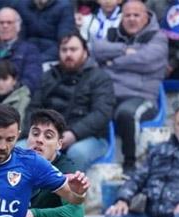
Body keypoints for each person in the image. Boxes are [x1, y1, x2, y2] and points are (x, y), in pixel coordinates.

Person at [91, 0, 167, 172]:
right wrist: (125, 50)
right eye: (127, 15)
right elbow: (96, 49)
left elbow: (146, 60)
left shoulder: (158, 37)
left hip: (141, 97)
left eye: (136, 15)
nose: (131, 19)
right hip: (110, 94)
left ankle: (130, 164)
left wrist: (111, 62)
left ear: (146, 16)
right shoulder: (112, 33)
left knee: (126, 114)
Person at [28, 33, 115, 170]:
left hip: (89, 137)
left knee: (76, 154)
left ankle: (68, 191)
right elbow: (33, 109)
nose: (68, 54)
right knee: (19, 149)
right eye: (64, 50)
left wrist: (74, 133)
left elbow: (101, 113)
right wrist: (37, 134)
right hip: (47, 135)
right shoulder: (48, 77)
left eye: (73, 50)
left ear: (85, 52)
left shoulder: (100, 78)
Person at [6, 0, 76, 62]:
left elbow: (64, 40)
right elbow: (19, 37)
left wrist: (40, 59)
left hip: (52, 58)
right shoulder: (22, 5)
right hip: (26, 56)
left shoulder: (64, 7)